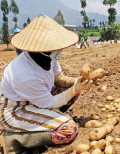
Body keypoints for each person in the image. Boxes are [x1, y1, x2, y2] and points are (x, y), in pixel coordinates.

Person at [0, 13, 93, 153]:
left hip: (36, 101)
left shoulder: (49, 58)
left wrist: (77, 82)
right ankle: (13, 138)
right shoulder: (24, 73)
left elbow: (59, 78)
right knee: (68, 130)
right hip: (15, 111)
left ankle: (46, 122)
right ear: (40, 49)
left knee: (71, 90)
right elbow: (49, 103)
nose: (59, 50)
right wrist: (74, 89)